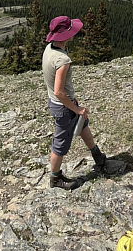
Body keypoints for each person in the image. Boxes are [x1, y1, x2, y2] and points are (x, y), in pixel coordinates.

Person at [42, 15, 107, 190]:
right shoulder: (62, 60)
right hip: (63, 107)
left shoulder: (49, 49)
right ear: (65, 35)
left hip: (60, 103)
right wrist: (76, 108)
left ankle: (97, 155)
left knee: (83, 124)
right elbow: (59, 91)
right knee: (60, 144)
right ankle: (55, 178)